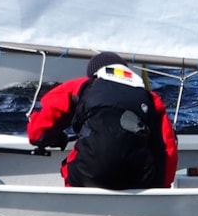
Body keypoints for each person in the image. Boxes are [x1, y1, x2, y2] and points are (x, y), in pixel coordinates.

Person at [27, 52, 179, 189]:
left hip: (88, 174)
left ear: (94, 74)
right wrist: (161, 187)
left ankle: (76, 202)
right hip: (138, 178)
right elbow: (167, 148)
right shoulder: (151, 98)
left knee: (72, 164)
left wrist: (51, 138)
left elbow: (37, 133)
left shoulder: (81, 86)